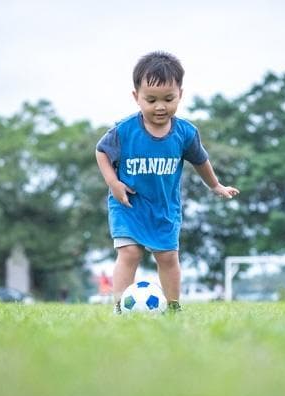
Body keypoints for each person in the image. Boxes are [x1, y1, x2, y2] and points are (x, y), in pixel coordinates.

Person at [95, 51, 239, 314]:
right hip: (129, 204)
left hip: (164, 208)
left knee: (168, 257)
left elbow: (201, 161)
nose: (160, 106)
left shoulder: (185, 133)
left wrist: (215, 185)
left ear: (180, 95)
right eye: (151, 100)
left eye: (168, 99)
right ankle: (119, 307)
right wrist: (113, 183)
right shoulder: (124, 130)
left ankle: (173, 307)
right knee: (129, 253)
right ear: (135, 96)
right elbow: (101, 152)